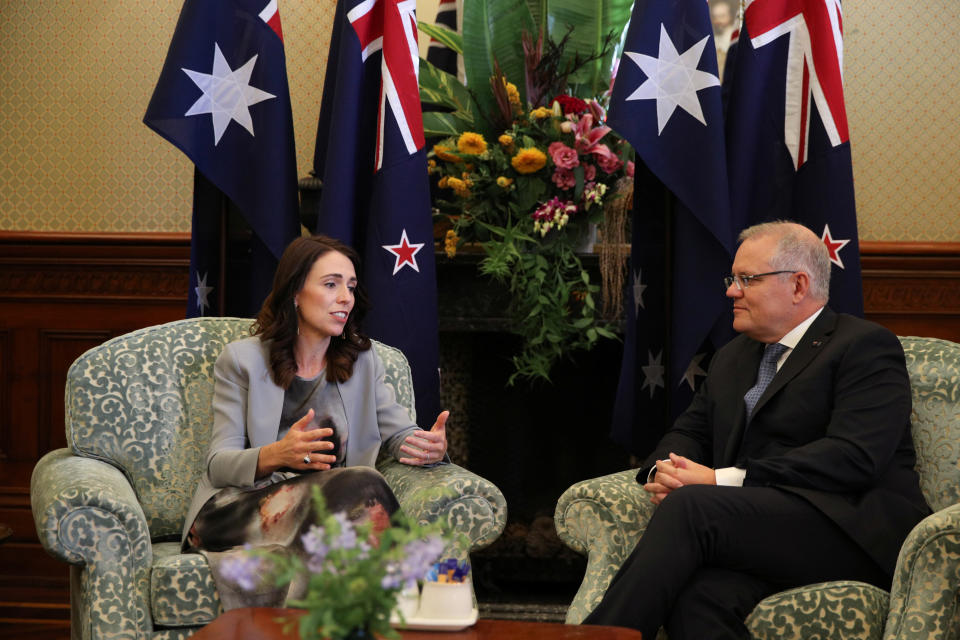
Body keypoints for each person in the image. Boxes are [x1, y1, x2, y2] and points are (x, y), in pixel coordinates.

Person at [583, 221, 930, 639]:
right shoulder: (733, 357)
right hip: (764, 528)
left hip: (850, 530)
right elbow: (689, 432)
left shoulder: (863, 346)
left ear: (798, 285)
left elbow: (854, 457)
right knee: (697, 597)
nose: (731, 291)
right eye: (733, 279)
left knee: (693, 507)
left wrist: (719, 480)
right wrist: (663, 471)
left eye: (747, 279)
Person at [180, 234, 450, 608]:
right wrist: (277, 454)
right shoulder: (241, 360)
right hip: (236, 510)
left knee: (350, 519)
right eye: (330, 284)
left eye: (351, 287)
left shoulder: (364, 361)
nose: (345, 298)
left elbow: (399, 433)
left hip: (326, 514)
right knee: (362, 483)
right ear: (295, 292)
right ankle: (419, 600)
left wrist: (425, 446)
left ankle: (376, 614)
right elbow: (218, 464)